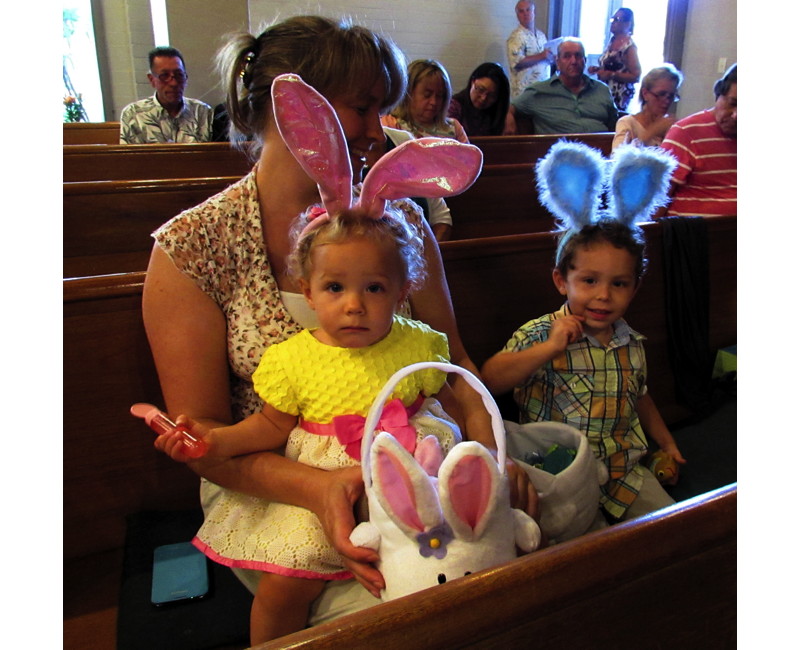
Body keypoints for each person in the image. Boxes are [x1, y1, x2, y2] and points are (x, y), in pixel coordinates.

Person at [143, 14, 538, 636]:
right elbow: (210, 440)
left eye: (383, 108)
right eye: (363, 108)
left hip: (418, 452)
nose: (377, 130)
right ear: (292, 108)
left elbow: (453, 362)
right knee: (409, 612)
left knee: (515, 567)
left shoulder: (396, 222)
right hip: (272, 480)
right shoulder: (193, 247)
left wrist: (487, 454)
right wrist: (320, 488)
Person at [161, 207, 464, 642]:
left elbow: (448, 403)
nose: (354, 305)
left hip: (413, 462)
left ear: (401, 292)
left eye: (374, 288)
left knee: (435, 557)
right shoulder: (292, 360)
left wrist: (480, 453)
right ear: (309, 292)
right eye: (335, 288)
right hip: (323, 477)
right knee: (288, 582)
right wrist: (214, 441)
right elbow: (269, 426)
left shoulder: (418, 343)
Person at [481, 219, 686, 523]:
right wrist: (550, 348)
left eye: (619, 283)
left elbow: (640, 397)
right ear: (562, 280)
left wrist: (667, 443)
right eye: (590, 280)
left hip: (623, 472)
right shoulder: (540, 334)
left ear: (634, 287)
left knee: (675, 526)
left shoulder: (631, 343)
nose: (604, 295)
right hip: (559, 475)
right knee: (585, 553)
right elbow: (490, 379)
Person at [660, 63, 737, 217]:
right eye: (732, 103)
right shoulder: (685, 133)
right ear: (718, 95)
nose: (736, 115)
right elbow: (658, 199)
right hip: (693, 235)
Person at [506, 38, 618, 135]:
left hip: (600, 154)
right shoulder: (538, 91)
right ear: (558, 62)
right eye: (567, 56)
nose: (573, 61)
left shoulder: (602, 90)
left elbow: (616, 127)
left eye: (578, 56)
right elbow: (509, 108)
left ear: (585, 61)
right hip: (560, 156)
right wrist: (509, 118)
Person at [366, 127, 456, 242]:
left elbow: (441, 218)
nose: (378, 132)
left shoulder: (404, 141)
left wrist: (429, 257)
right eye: (361, 111)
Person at [119, 46, 213, 144]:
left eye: (179, 75)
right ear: (152, 79)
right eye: (164, 76)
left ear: (186, 78)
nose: (174, 83)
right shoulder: (134, 114)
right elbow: (128, 157)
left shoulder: (202, 112)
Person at [381, 59, 469, 143]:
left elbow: (469, 157)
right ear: (408, 93)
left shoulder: (454, 128)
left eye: (439, 96)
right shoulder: (390, 124)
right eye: (427, 95)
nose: (434, 102)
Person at [612, 64, 684, 150]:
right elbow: (617, 159)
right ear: (645, 93)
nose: (667, 101)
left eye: (671, 96)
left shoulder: (670, 125)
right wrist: (652, 132)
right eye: (661, 94)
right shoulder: (627, 123)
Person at [587, 8, 641, 113]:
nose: (613, 22)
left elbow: (636, 76)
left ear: (627, 24)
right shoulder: (612, 41)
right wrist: (598, 70)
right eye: (613, 19)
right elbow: (614, 66)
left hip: (619, 97)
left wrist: (611, 75)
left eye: (618, 19)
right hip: (605, 93)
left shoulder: (628, 47)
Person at [447, 62, 511, 137]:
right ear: (472, 82)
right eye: (481, 89)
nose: (483, 98)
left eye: (491, 95)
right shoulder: (454, 106)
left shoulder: (495, 110)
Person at [506, 0, 552, 99]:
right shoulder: (516, 37)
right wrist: (541, 56)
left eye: (528, 10)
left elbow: (545, 58)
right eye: (521, 11)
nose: (525, 14)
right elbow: (516, 63)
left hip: (543, 91)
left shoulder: (541, 35)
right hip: (525, 93)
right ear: (517, 15)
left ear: (534, 12)